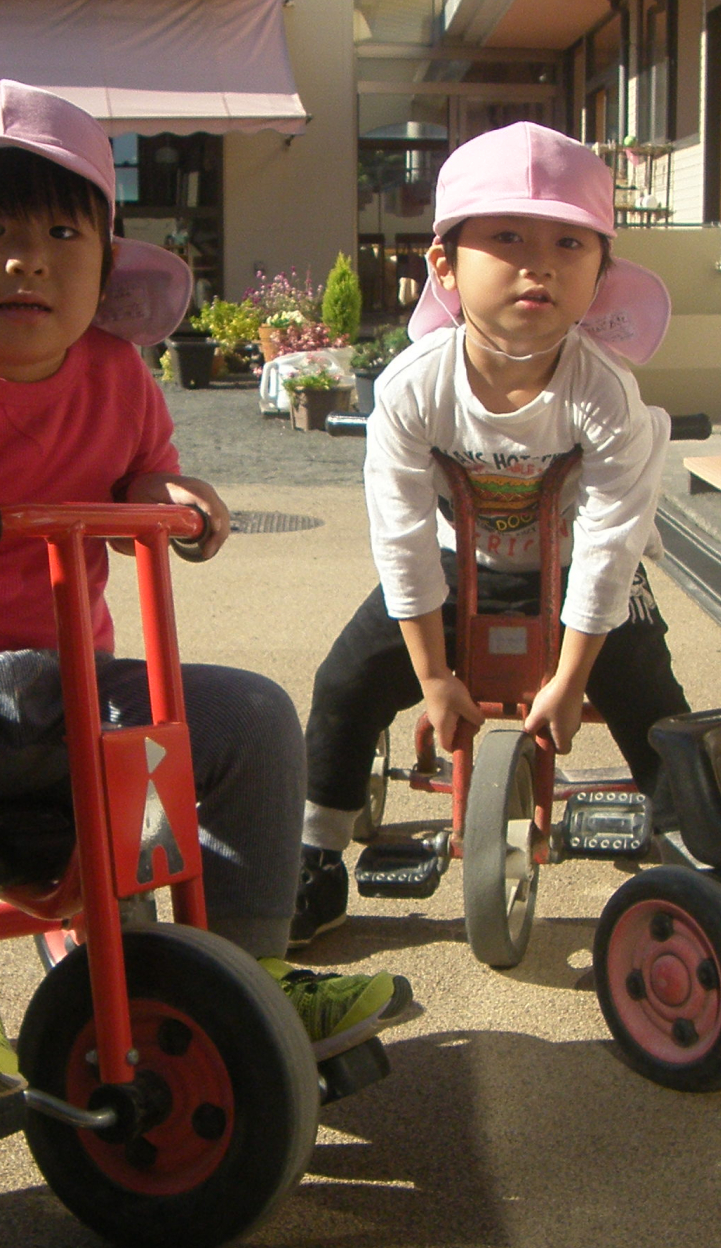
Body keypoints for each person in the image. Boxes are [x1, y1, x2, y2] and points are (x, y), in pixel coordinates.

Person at [0, 79, 418, 1116]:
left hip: (70, 691)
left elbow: (142, 478)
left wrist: (168, 497)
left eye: (60, 232)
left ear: (103, 256)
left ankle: (246, 968)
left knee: (251, 713)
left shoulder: (118, 375)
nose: (26, 257)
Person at [292, 121, 689, 948]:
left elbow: (615, 540)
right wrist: (433, 677)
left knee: (653, 700)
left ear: (599, 274)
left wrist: (575, 674)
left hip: (581, 576)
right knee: (345, 683)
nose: (537, 262)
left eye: (568, 243)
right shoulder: (412, 389)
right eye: (506, 237)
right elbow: (400, 534)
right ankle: (317, 848)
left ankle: (693, 858)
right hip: (451, 562)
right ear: (445, 264)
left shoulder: (608, 396)